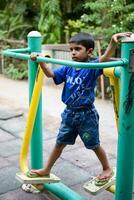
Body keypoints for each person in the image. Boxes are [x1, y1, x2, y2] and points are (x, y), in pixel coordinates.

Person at [27, 32, 132, 185]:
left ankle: (107, 168)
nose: (73, 52)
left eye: (78, 49)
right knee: (59, 142)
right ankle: (46, 169)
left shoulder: (91, 66)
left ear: (89, 51)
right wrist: (41, 61)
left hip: (86, 114)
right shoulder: (68, 68)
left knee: (93, 144)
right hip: (69, 113)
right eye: (71, 49)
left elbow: (104, 58)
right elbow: (50, 74)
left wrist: (112, 43)